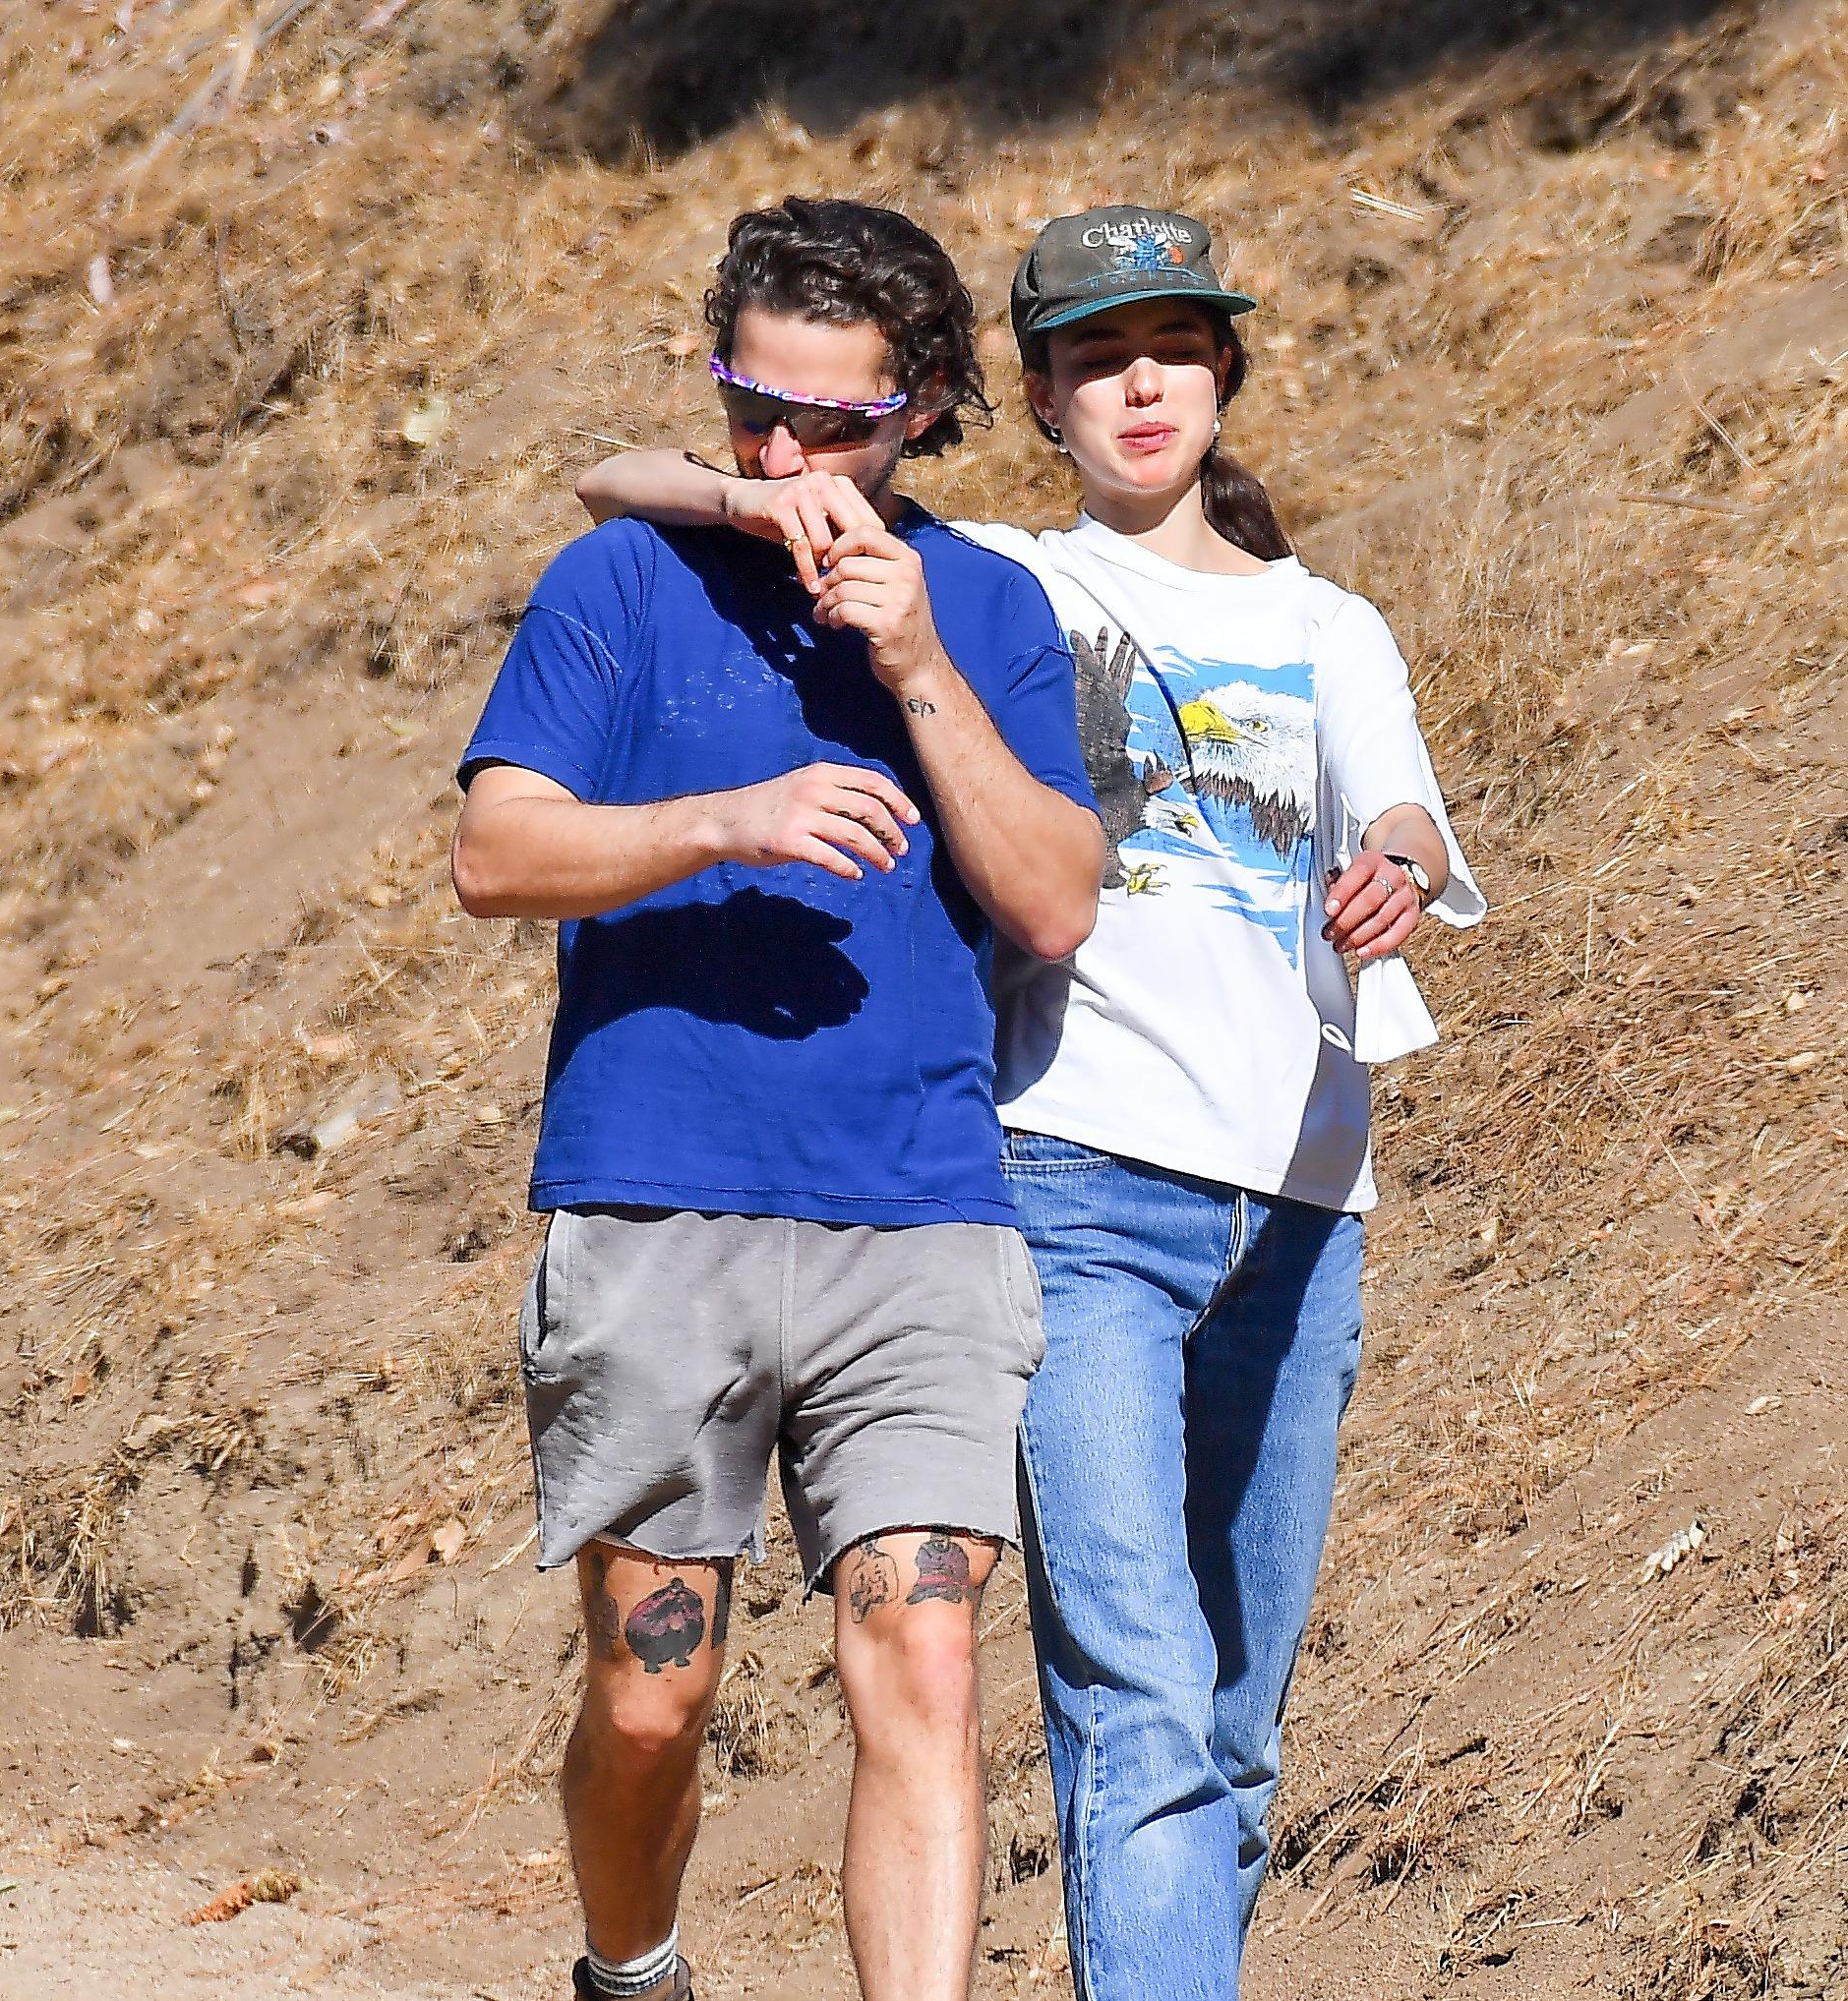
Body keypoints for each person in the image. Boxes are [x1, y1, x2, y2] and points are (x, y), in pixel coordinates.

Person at [576, 204, 1485, 2001]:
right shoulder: (993, 574)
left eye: (1174, 349)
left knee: (1230, 1713)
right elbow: (615, 480)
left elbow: (1410, 820)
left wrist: (1390, 855)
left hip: (1305, 1193)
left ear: (1225, 371)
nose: (1140, 385)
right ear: (1029, 402)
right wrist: (771, 496)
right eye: (1091, 359)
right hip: (1074, 1175)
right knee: (1133, 1680)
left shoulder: (1332, 623)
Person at [454, 196, 1103, 2001]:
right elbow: (494, 855)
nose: (789, 452)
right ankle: (633, 1968)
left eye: (836, 421)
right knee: (652, 1697)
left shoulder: (990, 605)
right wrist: (728, 821)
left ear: (928, 411)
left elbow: (1051, 901)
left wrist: (910, 668)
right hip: (661, 1197)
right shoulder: (621, 582)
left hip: (920, 1208)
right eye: (758, 408)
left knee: (923, 1660)